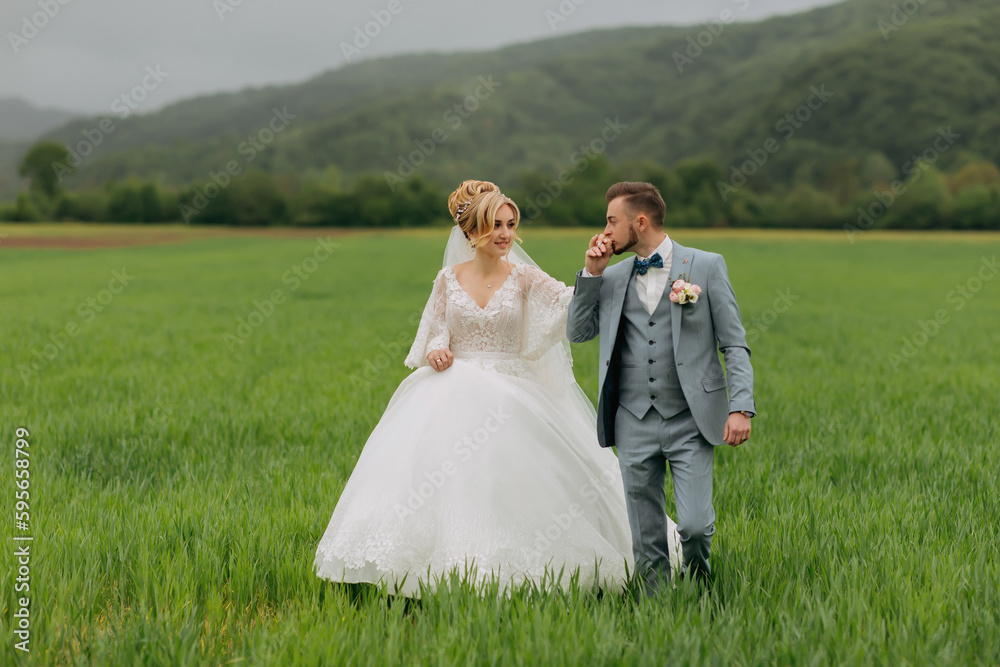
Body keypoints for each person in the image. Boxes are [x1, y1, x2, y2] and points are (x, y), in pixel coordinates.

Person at [314, 180, 682, 597]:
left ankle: (529, 569)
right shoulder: (447, 279)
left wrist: (592, 271)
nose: (506, 234)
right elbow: (435, 330)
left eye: (511, 225)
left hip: (512, 393)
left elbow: (568, 306)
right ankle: (432, 570)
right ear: (471, 233)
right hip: (450, 390)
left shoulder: (524, 278)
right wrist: (438, 350)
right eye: (496, 226)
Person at [567, 181, 756, 595]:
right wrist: (591, 275)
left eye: (612, 221)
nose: (605, 231)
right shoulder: (612, 276)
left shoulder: (705, 266)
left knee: (694, 526)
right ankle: (658, 608)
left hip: (690, 419)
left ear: (640, 221)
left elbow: (734, 343)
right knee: (645, 532)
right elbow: (578, 333)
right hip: (632, 420)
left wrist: (741, 407)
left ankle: (699, 588)